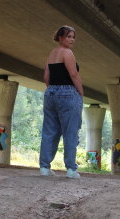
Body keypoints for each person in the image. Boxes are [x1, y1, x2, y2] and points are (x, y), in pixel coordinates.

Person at [39, 25, 84, 179]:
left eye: (73, 37)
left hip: (50, 93)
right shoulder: (67, 53)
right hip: (68, 93)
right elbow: (74, 75)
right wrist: (80, 94)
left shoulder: (52, 53)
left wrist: (54, 90)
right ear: (60, 37)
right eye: (68, 36)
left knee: (50, 131)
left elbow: (46, 77)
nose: (71, 40)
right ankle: (71, 170)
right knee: (70, 131)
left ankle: (44, 168)